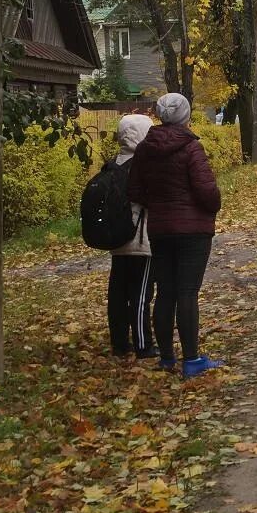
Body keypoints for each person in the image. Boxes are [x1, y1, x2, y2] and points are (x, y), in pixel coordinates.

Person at [129, 93, 222, 378]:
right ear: (185, 116)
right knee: (187, 292)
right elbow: (207, 192)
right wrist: (212, 205)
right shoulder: (191, 147)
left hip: (160, 229)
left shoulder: (145, 149)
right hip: (193, 231)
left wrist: (157, 204)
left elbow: (134, 190)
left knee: (166, 292)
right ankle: (191, 359)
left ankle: (167, 357)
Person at [106, 114, 157, 358]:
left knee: (118, 292)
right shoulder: (145, 166)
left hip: (117, 239)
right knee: (141, 293)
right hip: (141, 239)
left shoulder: (112, 165)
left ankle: (118, 343)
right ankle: (142, 344)